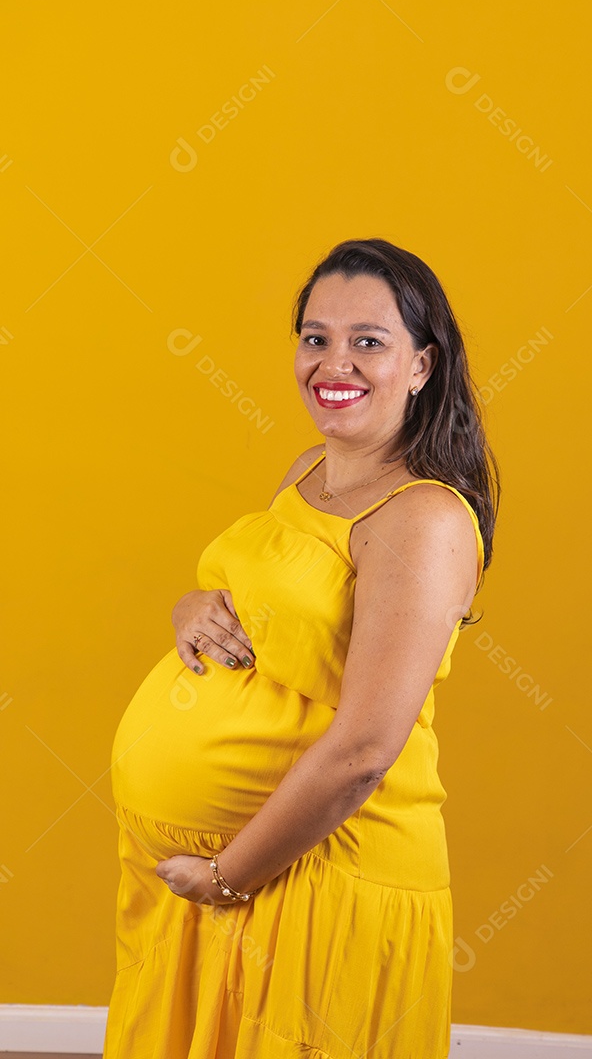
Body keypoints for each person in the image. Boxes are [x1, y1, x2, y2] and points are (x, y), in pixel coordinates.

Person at [103, 238, 500, 1059]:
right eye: (315, 337)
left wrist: (227, 877)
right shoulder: (308, 470)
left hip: (316, 878)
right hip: (231, 884)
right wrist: (191, 608)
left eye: (368, 341)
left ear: (421, 365)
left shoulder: (422, 522)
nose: (333, 362)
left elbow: (363, 750)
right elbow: (275, 610)